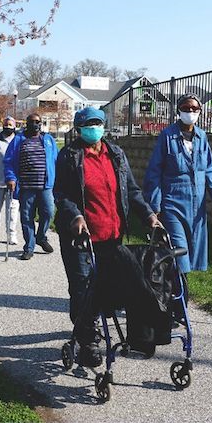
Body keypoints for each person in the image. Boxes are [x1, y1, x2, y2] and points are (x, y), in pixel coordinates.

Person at [54, 107, 161, 367]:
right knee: (82, 287)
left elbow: (132, 191)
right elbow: (62, 195)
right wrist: (76, 217)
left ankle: (138, 335)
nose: (94, 128)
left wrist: (148, 215)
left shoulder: (115, 154)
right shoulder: (69, 156)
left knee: (115, 286)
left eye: (98, 123)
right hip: (80, 237)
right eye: (89, 124)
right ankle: (88, 340)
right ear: (79, 129)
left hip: (111, 236)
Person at [143, 93, 212, 276]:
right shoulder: (167, 137)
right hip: (172, 204)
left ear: (200, 111)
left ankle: (178, 292)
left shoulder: (202, 137)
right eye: (185, 108)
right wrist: (155, 205)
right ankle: (177, 295)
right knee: (179, 251)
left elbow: (209, 169)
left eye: (194, 109)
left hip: (196, 207)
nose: (190, 111)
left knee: (192, 252)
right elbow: (154, 172)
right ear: (178, 110)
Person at [4, 113, 58, 260]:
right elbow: (8, 161)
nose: (36, 124)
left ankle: (41, 236)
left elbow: (56, 160)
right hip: (26, 186)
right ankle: (29, 247)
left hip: (46, 185)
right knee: (27, 217)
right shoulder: (18, 140)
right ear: (27, 123)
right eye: (32, 122)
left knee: (48, 212)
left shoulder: (48, 140)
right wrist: (11, 178)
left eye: (38, 122)